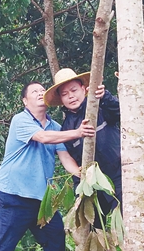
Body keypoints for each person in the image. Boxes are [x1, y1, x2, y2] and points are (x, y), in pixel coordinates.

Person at [0, 81, 96, 251]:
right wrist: (78, 132)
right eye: (34, 92)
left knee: (55, 237)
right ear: (25, 101)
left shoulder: (55, 127)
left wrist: (82, 174)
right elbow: (43, 138)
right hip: (12, 196)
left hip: (40, 200)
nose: (39, 93)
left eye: (42, 91)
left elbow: (64, 157)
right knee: (6, 244)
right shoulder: (20, 120)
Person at [44, 68, 122, 226]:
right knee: (95, 229)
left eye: (73, 90)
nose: (70, 96)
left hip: (119, 177)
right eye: (65, 94)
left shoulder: (100, 105)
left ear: (83, 89)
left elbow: (120, 112)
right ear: (60, 99)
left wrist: (105, 97)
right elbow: (71, 158)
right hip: (93, 186)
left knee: (125, 223)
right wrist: (80, 187)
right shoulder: (66, 128)